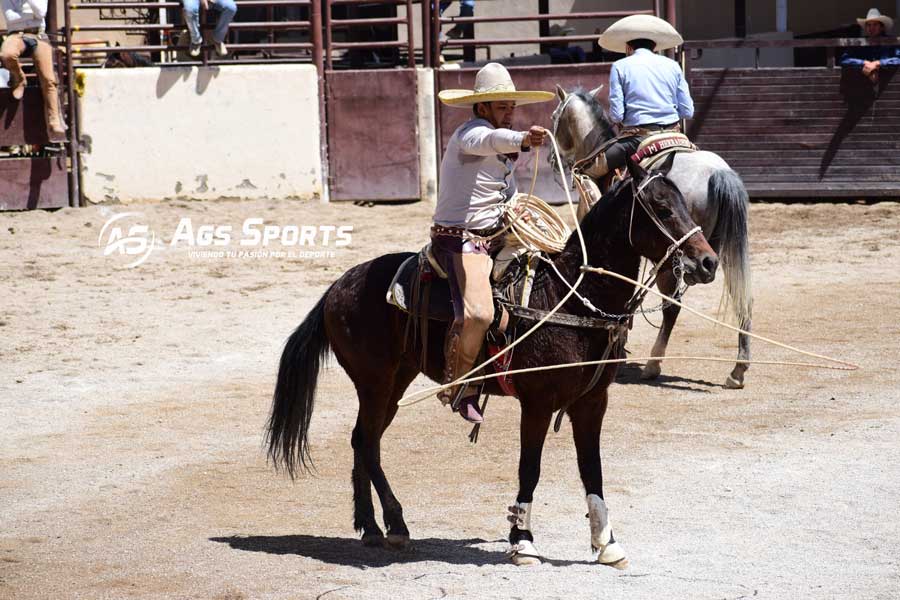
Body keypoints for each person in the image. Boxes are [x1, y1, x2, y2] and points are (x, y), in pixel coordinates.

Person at [434, 62, 553, 423]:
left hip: (496, 231)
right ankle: (461, 385)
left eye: (511, 107)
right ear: (482, 107)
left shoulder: (498, 140)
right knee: (480, 314)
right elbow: (490, 141)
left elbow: (506, 189)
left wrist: (519, 212)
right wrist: (522, 139)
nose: (509, 112)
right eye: (502, 106)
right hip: (460, 238)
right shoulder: (470, 135)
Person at [584, 15, 693, 180]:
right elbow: (687, 111)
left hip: (638, 140)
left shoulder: (620, 66)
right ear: (654, 46)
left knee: (586, 172)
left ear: (628, 47)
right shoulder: (673, 66)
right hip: (676, 137)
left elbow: (617, 115)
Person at [0, 0, 66, 138]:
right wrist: (31, 16)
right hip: (16, 35)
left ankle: (54, 119)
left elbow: (42, 12)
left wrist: (26, 11)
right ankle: (19, 78)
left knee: (48, 78)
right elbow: (11, 18)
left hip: (39, 35)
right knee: (6, 54)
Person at [840, 8, 900, 84]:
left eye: (875, 24)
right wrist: (864, 63)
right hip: (861, 87)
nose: (871, 28)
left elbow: (898, 58)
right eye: (868, 25)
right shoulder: (860, 43)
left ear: (881, 27)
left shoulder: (890, 41)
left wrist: (878, 63)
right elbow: (845, 59)